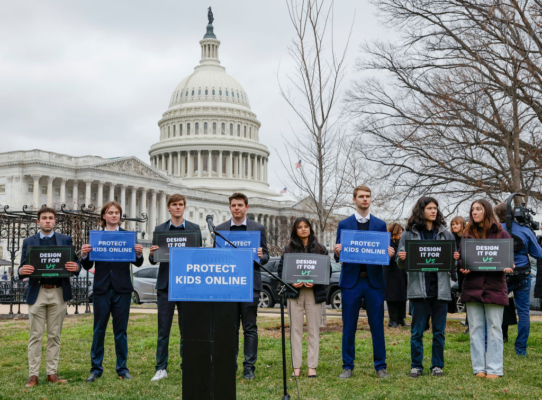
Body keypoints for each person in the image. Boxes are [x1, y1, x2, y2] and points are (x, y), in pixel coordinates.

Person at [334, 185, 395, 379]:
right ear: (354, 200)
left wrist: (389, 253)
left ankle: (380, 366)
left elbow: (383, 253)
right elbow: (338, 257)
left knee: (377, 325)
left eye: (368, 196)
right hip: (351, 282)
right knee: (349, 326)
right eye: (361, 196)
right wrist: (337, 251)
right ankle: (347, 366)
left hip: (374, 282)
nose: (365, 199)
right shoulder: (343, 224)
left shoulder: (380, 224)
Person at [81, 201, 144, 382]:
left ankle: (122, 368)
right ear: (104, 216)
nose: (114, 215)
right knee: (98, 330)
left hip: (122, 289)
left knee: (121, 331)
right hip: (101, 288)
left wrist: (139, 253)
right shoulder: (96, 236)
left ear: (120, 216)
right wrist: (85, 254)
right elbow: (88, 265)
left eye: (117, 213)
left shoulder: (128, 237)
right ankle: (96, 368)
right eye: (110, 212)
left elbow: (137, 263)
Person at [397, 197, 459, 378]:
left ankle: (437, 365)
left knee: (439, 332)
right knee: (417, 332)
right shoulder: (408, 234)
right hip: (419, 290)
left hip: (440, 290)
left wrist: (454, 259)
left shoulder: (446, 234)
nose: (434, 211)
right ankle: (416, 365)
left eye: (435, 208)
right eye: (430, 208)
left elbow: (451, 266)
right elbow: (400, 265)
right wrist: (401, 258)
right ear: (421, 210)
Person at [18, 206, 80, 387]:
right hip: (37, 292)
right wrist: (21, 270)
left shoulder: (65, 239)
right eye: (44, 217)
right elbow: (22, 267)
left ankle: (52, 373)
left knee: (55, 335)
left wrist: (76, 267)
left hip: (58, 292)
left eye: (50, 218)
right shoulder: (29, 241)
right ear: (38, 222)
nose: (47, 220)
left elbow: (75, 263)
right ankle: (33, 375)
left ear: (55, 221)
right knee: (35, 335)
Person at [214, 192, 269, 380]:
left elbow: (266, 257)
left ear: (247, 207)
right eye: (233, 205)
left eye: (240, 205)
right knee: (229, 329)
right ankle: (230, 364)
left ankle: (249, 367)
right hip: (228, 286)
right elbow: (216, 258)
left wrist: (262, 255)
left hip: (249, 285)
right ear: (229, 208)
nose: (237, 208)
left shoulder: (258, 228)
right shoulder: (220, 230)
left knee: (250, 328)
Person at [148, 194, 201, 382]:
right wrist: (152, 254)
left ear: (184, 207)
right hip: (166, 286)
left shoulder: (195, 229)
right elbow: (155, 259)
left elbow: (198, 257)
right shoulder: (160, 229)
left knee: (188, 329)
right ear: (169, 208)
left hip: (187, 285)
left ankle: (187, 364)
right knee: (164, 329)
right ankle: (161, 367)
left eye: (180, 205)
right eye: (174, 205)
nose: (177, 207)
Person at [459, 199, 514, 378]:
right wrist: (462, 265)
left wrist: (509, 265)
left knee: (495, 328)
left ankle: (495, 369)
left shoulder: (502, 234)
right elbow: (462, 258)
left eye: (478, 209)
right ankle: (479, 369)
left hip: (495, 287)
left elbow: (509, 259)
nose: (474, 212)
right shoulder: (467, 235)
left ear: (487, 211)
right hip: (472, 287)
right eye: (472, 209)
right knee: (475, 328)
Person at [277, 218, 329, 378]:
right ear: (295, 230)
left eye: (306, 226)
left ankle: (312, 366)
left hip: (314, 294)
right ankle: (296, 367)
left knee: (314, 330)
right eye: (300, 227)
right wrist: (292, 282)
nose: (303, 229)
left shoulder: (321, 249)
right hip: (295, 295)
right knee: (295, 331)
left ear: (310, 229)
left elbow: (327, 271)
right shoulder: (288, 250)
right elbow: (281, 272)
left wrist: (316, 282)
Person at [494, 202, 542, 354]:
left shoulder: (493, 230)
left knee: (494, 310)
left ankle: (493, 344)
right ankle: (521, 348)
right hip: (523, 274)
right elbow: (539, 254)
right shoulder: (525, 230)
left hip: (500, 275)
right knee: (523, 312)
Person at [385, 223, 407, 328]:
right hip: (391, 274)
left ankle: (401, 319)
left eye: (401, 233)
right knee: (392, 297)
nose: (400, 235)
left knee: (402, 296)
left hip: (401, 273)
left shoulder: (401, 243)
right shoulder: (387, 243)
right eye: (399, 233)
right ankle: (392, 320)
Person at [450, 216, 468, 331]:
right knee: (462, 293)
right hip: (458, 270)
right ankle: (468, 320)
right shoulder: (452, 238)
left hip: (467, 269)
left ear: (462, 224)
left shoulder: (467, 237)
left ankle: (469, 321)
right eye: (452, 224)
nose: (454, 226)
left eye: (457, 224)